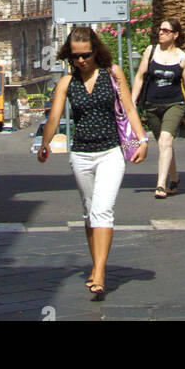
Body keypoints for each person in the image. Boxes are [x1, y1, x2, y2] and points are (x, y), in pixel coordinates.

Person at [38, 25, 147, 299]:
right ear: (68, 56)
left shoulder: (113, 74)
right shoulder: (66, 83)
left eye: (86, 54)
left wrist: (141, 140)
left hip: (111, 152)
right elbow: (54, 117)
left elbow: (129, 109)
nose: (81, 60)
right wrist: (45, 143)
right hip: (81, 155)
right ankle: (96, 265)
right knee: (89, 212)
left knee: (101, 210)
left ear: (96, 51)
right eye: (75, 56)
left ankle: (99, 272)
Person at [132, 19, 185, 198]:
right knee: (165, 144)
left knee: (164, 141)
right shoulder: (151, 51)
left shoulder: (182, 58)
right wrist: (132, 101)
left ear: (175, 35)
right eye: (159, 29)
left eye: (165, 30)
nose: (160, 33)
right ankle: (175, 178)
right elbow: (139, 77)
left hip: (174, 104)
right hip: (152, 105)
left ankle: (160, 185)